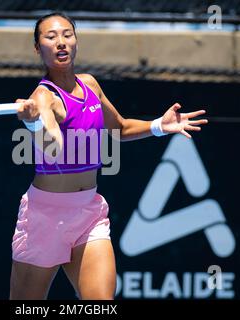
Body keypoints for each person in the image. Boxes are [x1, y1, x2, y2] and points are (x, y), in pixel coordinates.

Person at [10, 12, 208, 300]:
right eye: (50, 37)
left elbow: (120, 127)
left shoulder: (90, 85)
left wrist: (159, 126)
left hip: (88, 213)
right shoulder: (43, 98)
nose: (61, 43)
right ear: (38, 48)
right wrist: (33, 123)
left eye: (67, 34)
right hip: (44, 218)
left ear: (76, 41)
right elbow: (52, 147)